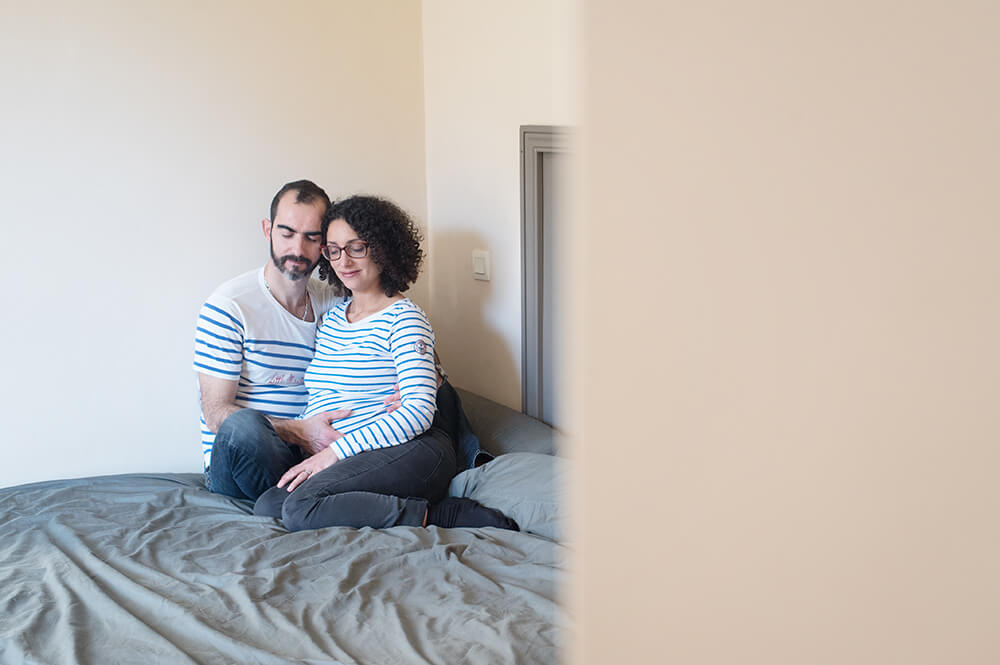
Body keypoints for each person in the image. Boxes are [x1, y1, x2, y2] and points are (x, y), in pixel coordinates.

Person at [194, 181, 488, 502]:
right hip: (250, 455)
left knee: (443, 396)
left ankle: (468, 460)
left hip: (304, 455)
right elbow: (215, 414)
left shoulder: (332, 304)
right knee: (243, 426)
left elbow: (394, 332)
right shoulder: (230, 305)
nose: (298, 249)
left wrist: (430, 377)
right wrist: (300, 430)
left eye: (312, 238)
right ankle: (297, 502)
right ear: (268, 230)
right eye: (287, 233)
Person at [252, 195, 517, 531]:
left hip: (412, 450)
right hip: (357, 458)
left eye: (356, 247)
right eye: (333, 249)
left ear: (382, 248)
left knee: (301, 508)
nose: (343, 260)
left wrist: (334, 453)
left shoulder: (403, 318)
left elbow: (418, 413)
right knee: (268, 505)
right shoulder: (333, 319)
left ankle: (441, 515)